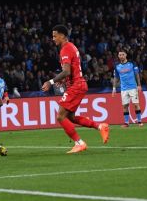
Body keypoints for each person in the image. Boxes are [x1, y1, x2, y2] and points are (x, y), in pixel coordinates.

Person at [41, 24, 109, 154]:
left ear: (62, 35)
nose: (53, 39)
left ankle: (80, 143)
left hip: (76, 86)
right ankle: (100, 126)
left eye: (55, 36)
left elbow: (66, 71)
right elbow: (71, 70)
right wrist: (63, 80)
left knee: (60, 117)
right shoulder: (71, 47)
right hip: (77, 84)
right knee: (70, 117)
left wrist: (51, 81)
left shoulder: (66, 49)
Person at [112, 51, 143, 127]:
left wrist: (139, 85)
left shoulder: (132, 64)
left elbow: (137, 74)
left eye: (123, 54)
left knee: (136, 104)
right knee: (125, 106)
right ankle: (126, 123)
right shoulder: (117, 66)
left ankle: (139, 121)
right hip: (123, 89)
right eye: (120, 55)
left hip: (133, 87)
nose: (121, 56)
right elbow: (116, 77)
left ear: (126, 55)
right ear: (118, 56)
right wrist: (114, 88)